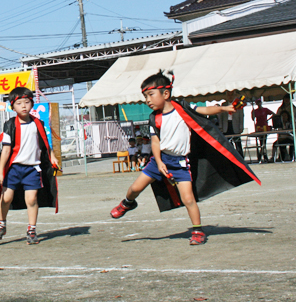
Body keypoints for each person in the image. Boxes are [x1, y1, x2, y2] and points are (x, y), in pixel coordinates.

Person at [110, 71, 260, 245]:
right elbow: (155, 142)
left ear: (166, 94)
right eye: (145, 96)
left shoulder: (183, 108)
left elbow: (204, 110)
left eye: (150, 95)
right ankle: (128, 203)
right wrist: (158, 162)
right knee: (134, 188)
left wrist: (225, 108)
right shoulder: (154, 118)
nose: (147, 100)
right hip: (159, 161)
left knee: (188, 199)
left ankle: (197, 230)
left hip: (180, 163)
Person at [0, 87, 60, 245]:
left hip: (33, 168)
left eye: (27, 102)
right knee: (6, 197)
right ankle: (1, 224)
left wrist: (53, 157)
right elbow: (6, 150)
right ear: (13, 107)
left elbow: (45, 145)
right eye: (19, 103)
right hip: (14, 168)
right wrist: (1, 172)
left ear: (32, 104)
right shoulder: (10, 125)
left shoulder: (38, 124)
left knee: (32, 199)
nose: (23, 106)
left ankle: (32, 230)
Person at [251, 99, 274, 163]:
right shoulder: (255, 111)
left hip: (264, 127)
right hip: (258, 127)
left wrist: (268, 120)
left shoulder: (265, 109)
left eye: (259, 102)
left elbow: (273, 113)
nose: (259, 104)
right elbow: (253, 119)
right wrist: (252, 113)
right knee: (261, 142)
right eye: (257, 102)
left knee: (264, 142)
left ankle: (262, 156)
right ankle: (263, 156)